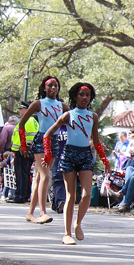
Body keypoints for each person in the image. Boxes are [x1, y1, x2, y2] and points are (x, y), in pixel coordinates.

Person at [43, 82, 110, 245]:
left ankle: (78, 223)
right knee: (71, 196)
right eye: (81, 94)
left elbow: (95, 140)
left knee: (86, 194)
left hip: (86, 155)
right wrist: (48, 155)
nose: (84, 98)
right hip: (69, 154)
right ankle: (66, 233)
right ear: (74, 96)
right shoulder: (68, 115)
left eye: (87, 95)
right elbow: (48, 133)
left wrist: (104, 160)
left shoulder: (93, 116)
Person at [19, 76, 67, 224]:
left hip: (54, 141)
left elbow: (74, 122)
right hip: (41, 140)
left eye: (56, 86)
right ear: (44, 88)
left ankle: (30, 213)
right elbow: (22, 123)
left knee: (41, 177)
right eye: (50, 85)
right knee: (46, 176)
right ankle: (42, 212)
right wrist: (23, 145)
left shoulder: (62, 106)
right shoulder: (38, 104)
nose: (53, 88)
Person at [10, 102, 38, 204]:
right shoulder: (30, 120)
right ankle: (24, 195)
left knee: (21, 175)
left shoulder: (28, 120)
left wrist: (25, 148)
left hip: (23, 151)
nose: (19, 111)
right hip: (23, 150)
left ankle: (20, 196)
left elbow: (30, 136)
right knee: (24, 174)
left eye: (21, 108)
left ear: (27, 109)